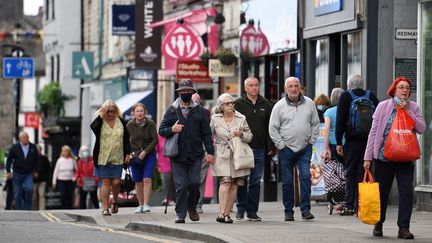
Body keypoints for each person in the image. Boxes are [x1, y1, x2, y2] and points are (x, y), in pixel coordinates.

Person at [363, 77, 425, 239]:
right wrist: (367, 157)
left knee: (406, 193)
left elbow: (421, 128)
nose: (405, 90)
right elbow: (374, 132)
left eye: (407, 88)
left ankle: (403, 227)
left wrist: (408, 111)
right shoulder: (383, 106)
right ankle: (378, 222)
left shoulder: (414, 107)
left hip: (405, 158)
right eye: (401, 87)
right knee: (382, 192)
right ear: (394, 90)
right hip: (383, 158)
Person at [159, 79, 214, 224]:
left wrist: (210, 152)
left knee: (195, 183)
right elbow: (161, 130)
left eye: (188, 91)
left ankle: (191, 207)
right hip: (177, 155)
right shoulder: (171, 110)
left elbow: (207, 134)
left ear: (192, 92)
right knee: (181, 185)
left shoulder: (200, 111)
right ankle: (180, 214)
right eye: (183, 91)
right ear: (179, 93)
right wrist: (172, 129)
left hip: (196, 154)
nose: (185, 93)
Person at [269, 77, 320, 221]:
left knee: (305, 177)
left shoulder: (310, 103)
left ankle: (305, 210)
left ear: (299, 87)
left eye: (295, 86)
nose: (293, 89)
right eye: (290, 86)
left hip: (305, 148)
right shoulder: (279, 106)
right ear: (286, 89)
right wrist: (281, 146)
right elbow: (272, 128)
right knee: (287, 182)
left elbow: (315, 123)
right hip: (286, 149)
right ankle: (288, 211)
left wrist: (311, 140)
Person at [336, 74, 379, 216]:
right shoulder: (371, 96)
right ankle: (360, 205)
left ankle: (348, 206)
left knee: (350, 172)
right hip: (368, 141)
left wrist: (338, 142)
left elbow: (341, 120)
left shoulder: (345, 96)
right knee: (363, 172)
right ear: (362, 84)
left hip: (352, 141)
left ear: (349, 85)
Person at [234, 76, 273, 221]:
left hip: (259, 148)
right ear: (245, 88)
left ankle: (252, 211)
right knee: (241, 180)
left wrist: (271, 145)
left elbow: (271, 126)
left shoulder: (266, 104)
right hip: (243, 148)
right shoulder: (238, 104)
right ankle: (240, 208)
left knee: (255, 181)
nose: (254, 88)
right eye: (251, 85)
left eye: (256, 85)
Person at [211, 93, 253, 223]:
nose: (231, 105)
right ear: (221, 106)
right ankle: (221, 213)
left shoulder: (241, 118)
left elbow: (250, 136)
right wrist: (209, 152)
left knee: (235, 184)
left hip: (238, 153)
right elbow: (208, 135)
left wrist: (241, 134)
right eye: (227, 103)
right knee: (225, 181)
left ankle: (227, 214)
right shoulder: (215, 119)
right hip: (221, 153)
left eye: (232, 103)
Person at [91, 99, 130, 216]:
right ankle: (105, 208)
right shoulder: (100, 122)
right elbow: (93, 127)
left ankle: (115, 201)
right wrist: (101, 114)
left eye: (113, 110)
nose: (110, 113)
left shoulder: (121, 122)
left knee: (117, 182)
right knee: (106, 182)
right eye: (108, 111)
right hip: (103, 157)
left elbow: (126, 139)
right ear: (103, 111)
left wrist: (128, 153)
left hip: (118, 157)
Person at [126, 103, 158, 213]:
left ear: (145, 112)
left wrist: (145, 151)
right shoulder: (129, 125)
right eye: (137, 111)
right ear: (133, 113)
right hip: (135, 156)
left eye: (142, 111)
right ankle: (140, 205)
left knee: (147, 179)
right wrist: (128, 153)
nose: (140, 113)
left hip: (149, 155)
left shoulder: (150, 123)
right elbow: (126, 141)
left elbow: (155, 140)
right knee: (138, 181)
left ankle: (146, 204)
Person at [6, 132, 39, 210]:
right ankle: (19, 209)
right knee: (18, 192)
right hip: (17, 173)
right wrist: (8, 171)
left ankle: (28, 208)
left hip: (28, 173)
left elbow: (37, 160)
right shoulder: (14, 147)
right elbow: (9, 159)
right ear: (20, 139)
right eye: (24, 138)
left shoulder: (33, 147)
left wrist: (36, 170)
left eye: (27, 137)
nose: (26, 139)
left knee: (29, 189)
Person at [192, 93, 211, 214]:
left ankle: (198, 204)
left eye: (197, 102)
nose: (194, 104)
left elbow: (208, 132)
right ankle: (188, 203)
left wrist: (209, 150)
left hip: (202, 149)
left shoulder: (206, 113)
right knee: (190, 179)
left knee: (201, 178)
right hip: (187, 151)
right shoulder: (179, 111)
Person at [321, 88, 345, 163]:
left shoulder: (329, 112)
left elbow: (327, 131)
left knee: (335, 170)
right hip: (347, 144)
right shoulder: (347, 110)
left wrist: (326, 148)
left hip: (333, 145)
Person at [74, 145, 99, 209]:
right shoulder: (80, 161)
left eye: (87, 151)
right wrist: (76, 177)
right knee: (83, 198)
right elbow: (78, 171)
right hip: (83, 182)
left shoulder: (93, 160)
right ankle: (83, 211)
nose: (86, 152)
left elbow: (96, 169)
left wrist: (96, 179)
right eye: (84, 151)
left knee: (94, 198)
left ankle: (97, 209)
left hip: (92, 181)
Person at [52, 145, 77, 209]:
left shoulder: (72, 160)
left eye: (66, 151)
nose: (65, 153)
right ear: (62, 152)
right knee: (63, 195)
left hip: (70, 181)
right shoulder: (60, 160)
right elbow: (56, 171)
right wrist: (54, 182)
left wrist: (75, 178)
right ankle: (63, 208)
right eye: (64, 151)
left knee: (69, 195)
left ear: (69, 152)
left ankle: (69, 208)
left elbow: (77, 170)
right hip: (61, 180)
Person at [156, 134, 175, 206]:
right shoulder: (160, 136)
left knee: (176, 181)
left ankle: (175, 199)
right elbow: (156, 149)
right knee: (166, 180)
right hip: (163, 162)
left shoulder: (175, 134)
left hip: (175, 161)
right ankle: (166, 199)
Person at [32, 144, 51, 210]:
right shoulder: (31, 158)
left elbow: (48, 169)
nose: (38, 151)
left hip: (42, 180)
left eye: (39, 150)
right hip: (33, 180)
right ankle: (33, 209)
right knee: (34, 196)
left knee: (41, 195)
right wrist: (33, 172)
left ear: (41, 150)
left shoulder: (44, 158)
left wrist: (46, 178)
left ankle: (42, 209)